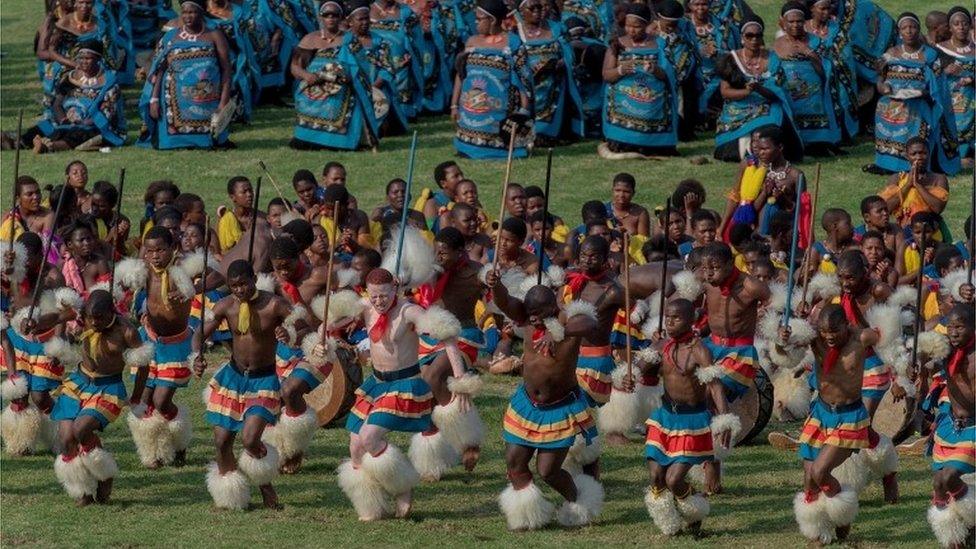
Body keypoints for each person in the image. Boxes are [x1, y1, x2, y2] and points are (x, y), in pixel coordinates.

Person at [334, 268, 467, 520]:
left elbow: (447, 335)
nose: (378, 302)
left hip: (405, 385)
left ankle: (402, 486)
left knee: (369, 438)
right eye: (373, 297)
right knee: (355, 446)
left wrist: (460, 378)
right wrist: (326, 328)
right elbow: (331, 323)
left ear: (394, 288)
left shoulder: (409, 311)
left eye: (383, 296)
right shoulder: (365, 307)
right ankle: (372, 504)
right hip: (376, 385)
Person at [488, 277, 605, 530]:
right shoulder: (526, 317)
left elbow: (590, 322)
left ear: (553, 307)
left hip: (559, 408)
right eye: (530, 314)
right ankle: (528, 516)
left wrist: (557, 332)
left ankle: (578, 503)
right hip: (527, 405)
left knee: (547, 471)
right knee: (515, 463)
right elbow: (504, 301)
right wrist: (494, 284)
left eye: (538, 314)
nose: (532, 319)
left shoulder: (565, 319)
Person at [195, 260, 294, 509]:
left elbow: (301, 328)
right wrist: (195, 356)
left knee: (250, 440)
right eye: (234, 286)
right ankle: (231, 496)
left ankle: (264, 482)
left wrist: (288, 334)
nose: (240, 290)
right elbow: (199, 333)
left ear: (254, 279)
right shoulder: (226, 306)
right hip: (232, 378)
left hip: (264, 380)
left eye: (244, 284)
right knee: (222, 441)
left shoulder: (274, 304)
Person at [780, 304, 877, 544]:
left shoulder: (860, 338)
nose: (829, 336)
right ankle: (817, 531)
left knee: (820, 471)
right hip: (821, 413)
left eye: (835, 330)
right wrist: (782, 339)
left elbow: (889, 338)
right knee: (809, 479)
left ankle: (843, 514)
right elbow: (786, 355)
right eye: (824, 331)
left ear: (846, 325)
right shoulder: (815, 338)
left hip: (849, 417)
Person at [640, 299, 737, 536]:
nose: (670, 322)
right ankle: (669, 522)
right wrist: (644, 359)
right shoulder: (662, 344)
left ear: (691, 321)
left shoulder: (699, 350)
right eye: (667, 317)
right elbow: (643, 370)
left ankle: (696, 509)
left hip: (691, 422)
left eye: (676, 318)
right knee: (656, 476)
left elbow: (714, 386)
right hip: (663, 418)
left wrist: (724, 420)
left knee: (673, 480)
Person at [50, 290, 150, 505]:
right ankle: (83, 491)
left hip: (109, 388)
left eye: (100, 318)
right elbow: (55, 318)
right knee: (67, 438)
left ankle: (105, 475)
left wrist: (136, 397)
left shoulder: (127, 331)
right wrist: (32, 323)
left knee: (81, 429)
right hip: (78, 382)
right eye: (91, 317)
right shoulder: (83, 317)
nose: (94, 322)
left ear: (111, 312)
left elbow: (143, 366)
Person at [409, 227, 487, 480]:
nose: (438, 257)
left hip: (464, 336)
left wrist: (495, 285)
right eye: (436, 252)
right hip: (431, 336)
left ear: (459, 252)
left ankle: (467, 440)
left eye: (444, 254)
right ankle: (434, 462)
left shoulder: (476, 273)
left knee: (432, 378)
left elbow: (502, 302)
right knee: (428, 395)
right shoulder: (430, 271)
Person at [120, 227, 197, 469]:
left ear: (172, 249)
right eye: (150, 251)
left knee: (162, 401)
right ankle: (154, 452)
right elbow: (120, 283)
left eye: (160, 250)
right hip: (149, 341)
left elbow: (215, 276)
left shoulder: (181, 270)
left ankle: (180, 441)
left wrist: (189, 290)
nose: (155, 256)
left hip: (175, 345)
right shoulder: (143, 272)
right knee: (146, 399)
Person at [699, 242, 769, 493]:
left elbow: (778, 303)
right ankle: (710, 469)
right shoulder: (705, 280)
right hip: (710, 346)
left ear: (731, 264)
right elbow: (682, 297)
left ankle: (712, 466)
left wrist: (777, 321)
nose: (708, 274)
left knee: (709, 396)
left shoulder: (750, 286)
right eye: (705, 268)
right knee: (698, 399)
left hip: (739, 354)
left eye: (715, 268)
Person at [871, 12, 960, 176]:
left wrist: (923, 92)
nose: (909, 31)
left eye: (913, 27)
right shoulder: (891, 52)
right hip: (891, 99)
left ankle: (913, 164)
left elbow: (938, 84)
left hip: (920, 100)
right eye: (905, 28)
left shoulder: (929, 54)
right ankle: (887, 164)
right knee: (884, 107)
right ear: (899, 32)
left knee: (913, 111)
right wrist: (882, 87)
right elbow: (879, 77)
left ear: (919, 30)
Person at [137, 0, 233, 150]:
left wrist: (223, 102)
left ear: (201, 13)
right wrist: (154, 99)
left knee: (213, 137)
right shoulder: (170, 37)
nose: (187, 16)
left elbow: (226, 69)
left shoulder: (215, 35)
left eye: (192, 12)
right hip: (173, 103)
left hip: (207, 99)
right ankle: (177, 141)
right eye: (184, 12)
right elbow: (159, 69)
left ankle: (206, 140)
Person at [289, 1, 380, 151]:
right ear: (321, 17)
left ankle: (339, 142)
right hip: (313, 85)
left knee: (341, 100)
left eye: (335, 15)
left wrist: (347, 76)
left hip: (341, 86)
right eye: (327, 15)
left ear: (341, 18)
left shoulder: (350, 40)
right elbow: (295, 66)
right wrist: (306, 75)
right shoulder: (310, 38)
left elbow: (362, 68)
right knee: (305, 98)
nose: (331, 18)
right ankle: (309, 139)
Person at [3, 43, 125, 154]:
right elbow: (57, 104)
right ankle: (14, 143)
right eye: (80, 58)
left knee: (79, 135)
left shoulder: (109, 83)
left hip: (95, 126)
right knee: (43, 127)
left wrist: (81, 123)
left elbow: (107, 114)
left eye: (88, 58)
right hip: (65, 121)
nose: (83, 61)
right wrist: (64, 121)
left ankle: (47, 147)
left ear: (98, 59)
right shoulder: (70, 78)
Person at [452, 0, 533, 159]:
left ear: (493, 20)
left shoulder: (513, 43)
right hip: (470, 113)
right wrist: (454, 105)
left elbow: (524, 80)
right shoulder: (471, 42)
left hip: (501, 112)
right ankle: (469, 148)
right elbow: (460, 74)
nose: (476, 23)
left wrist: (524, 111)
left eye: (479, 19)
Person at [713, 15, 800, 163]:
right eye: (749, 35)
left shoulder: (772, 59)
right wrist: (747, 92)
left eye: (757, 35)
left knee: (775, 115)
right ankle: (748, 149)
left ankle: (767, 151)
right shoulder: (731, 59)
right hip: (738, 107)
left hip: (766, 104)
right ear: (742, 37)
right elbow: (725, 91)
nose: (754, 39)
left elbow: (778, 93)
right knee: (729, 149)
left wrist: (759, 89)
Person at [597, 3, 679, 159]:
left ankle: (654, 143)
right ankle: (623, 141)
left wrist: (655, 69)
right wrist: (621, 70)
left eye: (637, 27)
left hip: (652, 96)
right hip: (625, 97)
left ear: (647, 25)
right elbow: (606, 75)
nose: (631, 30)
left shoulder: (660, 44)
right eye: (628, 26)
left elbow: (668, 75)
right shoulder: (617, 44)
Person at [923, 304, 975, 549]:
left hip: (974, 428)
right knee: (938, 484)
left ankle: (972, 518)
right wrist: (918, 365)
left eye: (960, 327)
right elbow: (924, 357)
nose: (954, 332)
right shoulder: (945, 351)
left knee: (950, 477)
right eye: (951, 326)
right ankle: (954, 539)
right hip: (949, 427)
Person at [773, 2, 842, 155]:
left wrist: (809, 53)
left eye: (799, 21)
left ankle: (818, 141)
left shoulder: (817, 42)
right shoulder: (777, 45)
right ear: (784, 23)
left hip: (814, 94)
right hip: (789, 93)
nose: (796, 25)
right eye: (791, 21)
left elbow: (827, 72)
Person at [515, 0, 584, 144]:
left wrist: (561, 62)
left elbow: (569, 53)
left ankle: (550, 134)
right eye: (532, 8)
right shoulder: (515, 32)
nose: (537, 11)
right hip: (527, 82)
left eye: (539, 7)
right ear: (521, 11)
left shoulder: (557, 28)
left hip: (554, 82)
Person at [346, 0, 409, 135]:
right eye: (360, 19)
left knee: (382, 129)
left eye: (367, 18)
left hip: (377, 86)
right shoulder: (344, 41)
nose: (365, 22)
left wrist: (373, 88)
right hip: (350, 86)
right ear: (350, 21)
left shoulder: (379, 41)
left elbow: (387, 68)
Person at [805, 0, 859, 140]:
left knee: (842, 102)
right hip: (813, 76)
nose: (826, 12)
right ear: (812, 8)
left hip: (840, 77)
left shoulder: (837, 28)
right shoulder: (803, 28)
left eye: (828, 9)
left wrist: (830, 64)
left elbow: (846, 54)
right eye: (822, 9)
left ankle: (843, 135)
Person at [686, 0, 739, 128]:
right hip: (694, 74)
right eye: (696, 4)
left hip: (719, 74)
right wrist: (698, 52)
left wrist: (717, 53)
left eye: (704, 4)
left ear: (709, 5)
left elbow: (735, 51)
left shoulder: (723, 25)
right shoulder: (684, 26)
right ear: (689, 5)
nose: (700, 8)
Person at [878, 137, 950, 230]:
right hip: (903, 232)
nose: (919, 157)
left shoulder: (939, 179)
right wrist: (908, 184)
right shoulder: (896, 178)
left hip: (930, 231)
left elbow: (938, 208)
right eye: (914, 154)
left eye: (923, 153)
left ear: (929, 154)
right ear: (907, 156)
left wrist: (918, 185)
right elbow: (887, 208)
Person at [368, 0, 424, 119]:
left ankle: (404, 114)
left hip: (402, 63)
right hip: (376, 64)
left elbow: (417, 38)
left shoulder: (405, 11)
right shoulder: (366, 12)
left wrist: (413, 54)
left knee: (401, 87)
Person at [936, 7, 975, 169]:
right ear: (950, 27)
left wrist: (972, 79)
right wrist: (944, 71)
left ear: (970, 26)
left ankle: (968, 154)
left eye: (965, 23)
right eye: (956, 24)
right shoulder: (939, 49)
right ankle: (955, 156)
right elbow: (928, 76)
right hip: (949, 101)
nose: (961, 27)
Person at [217, 176, 258, 253]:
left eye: (250, 190)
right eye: (244, 192)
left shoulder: (261, 217)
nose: (249, 194)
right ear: (233, 197)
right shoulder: (226, 221)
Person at [421, 161, 464, 230]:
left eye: (461, 174)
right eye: (456, 176)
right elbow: (429, 233)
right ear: (443, 183)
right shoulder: (432, 204)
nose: (461, 178)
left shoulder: (466, 198)